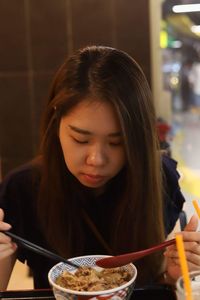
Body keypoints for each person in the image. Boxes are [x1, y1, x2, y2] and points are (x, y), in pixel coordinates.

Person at [0, 45, 199, 290]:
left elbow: (153, 283)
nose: (96, 159)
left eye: (117, 143)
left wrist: (175, 277)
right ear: (56, 122)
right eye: (80, 139)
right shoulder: (22, 189)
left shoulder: (158, 178)